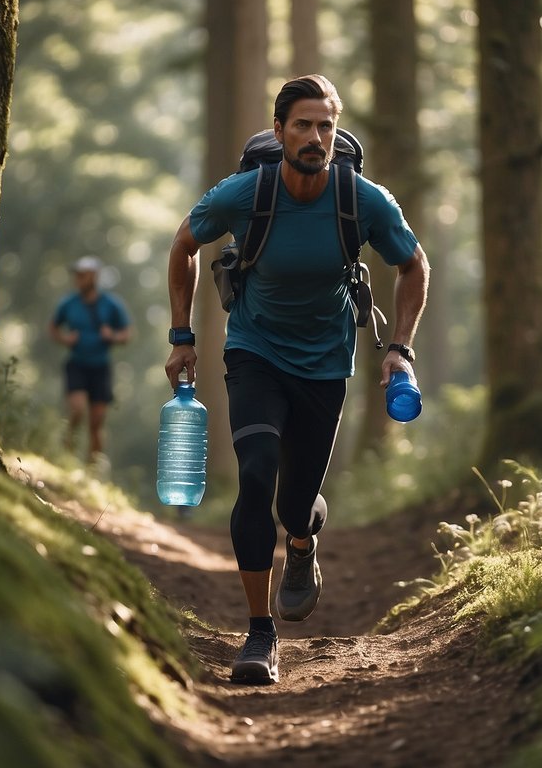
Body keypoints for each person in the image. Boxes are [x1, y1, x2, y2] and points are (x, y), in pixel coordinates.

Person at [164, 74, 429, 685]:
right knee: (256, 474)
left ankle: (303, 544)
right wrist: (182, 337)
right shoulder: (242, 194)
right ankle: (260, 635)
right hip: (254, 352)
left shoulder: (363, 200)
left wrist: (401, 350)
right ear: (280, 129)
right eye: (304, 125)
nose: (316, 137)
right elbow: (183, 245)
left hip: (326, 365)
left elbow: (413, 265)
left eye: (326, 126)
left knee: (294, 503)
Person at [50, 255, 132, 464]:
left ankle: (92, 467)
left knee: (97, 421)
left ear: (94, 276)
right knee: (77, 410)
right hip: (76, 363)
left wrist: (112, 336)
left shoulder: (111, 304)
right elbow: (53, 327)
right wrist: (65, 339)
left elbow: (127, 334)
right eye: (76, 275)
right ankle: (66, 451)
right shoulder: (68, 303)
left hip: (100, 367)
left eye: (82, 275)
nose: (77, 279)